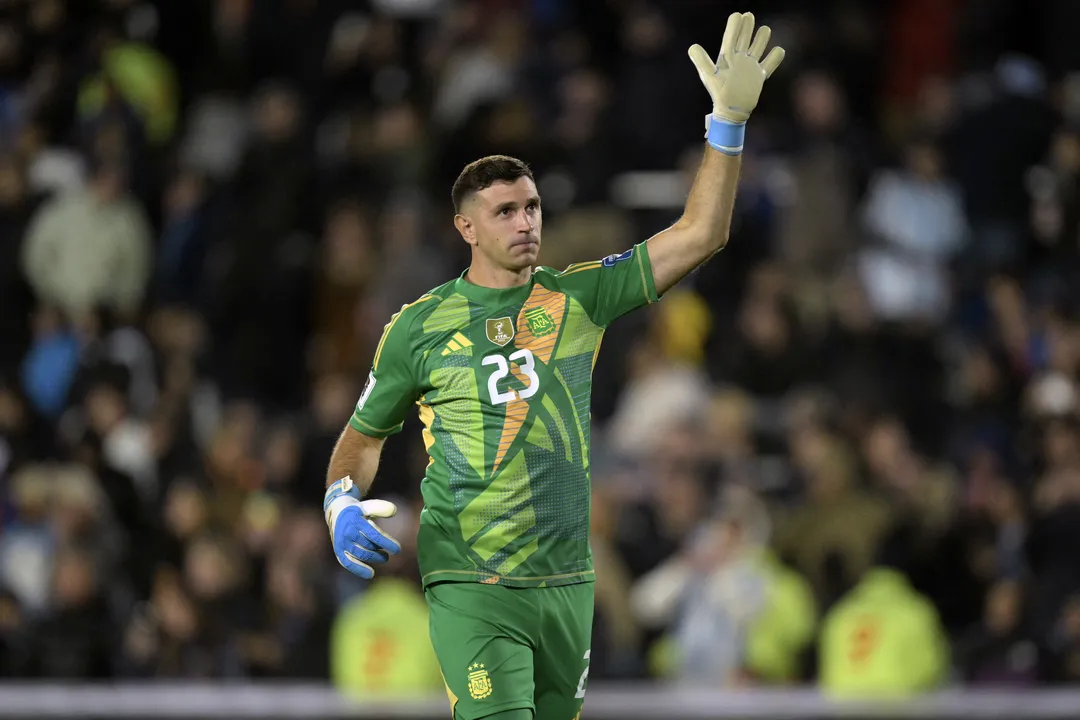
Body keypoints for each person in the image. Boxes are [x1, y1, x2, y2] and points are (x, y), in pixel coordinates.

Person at [323, 12, 785, 720]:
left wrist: (725, 123)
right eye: (506, 211)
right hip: (470, 576)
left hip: (566, 577)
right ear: (466, 228)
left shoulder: (576, 300)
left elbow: (702, 234)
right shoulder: (418, 328)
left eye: (533, 207)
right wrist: (339, 503)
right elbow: (362, 437)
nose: (526, 222)